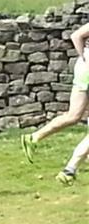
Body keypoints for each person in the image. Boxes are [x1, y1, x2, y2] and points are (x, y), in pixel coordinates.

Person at [22, 22, 89, 163]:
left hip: (84, 72)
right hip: (86, 73)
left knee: (73, 116)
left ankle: (34, 138)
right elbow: (76, 36)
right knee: (74, 116)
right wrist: (84, 58)